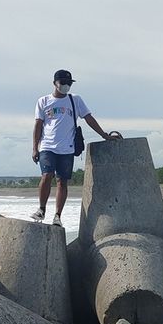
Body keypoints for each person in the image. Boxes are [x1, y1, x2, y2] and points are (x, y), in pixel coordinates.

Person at [31, 69, 117, 227]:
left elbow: (88, 118)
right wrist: (35, 148)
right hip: (47, 146)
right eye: (63, 82)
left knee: (62, 182)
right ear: (55, 83)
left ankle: (57, 216)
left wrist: (104, 135)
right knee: (46, 175)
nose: (66, 86)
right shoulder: (43, 101)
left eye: (68, 83)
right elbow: (38, 125)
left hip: (67, 148)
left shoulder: (75, 100)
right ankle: (42, 208)